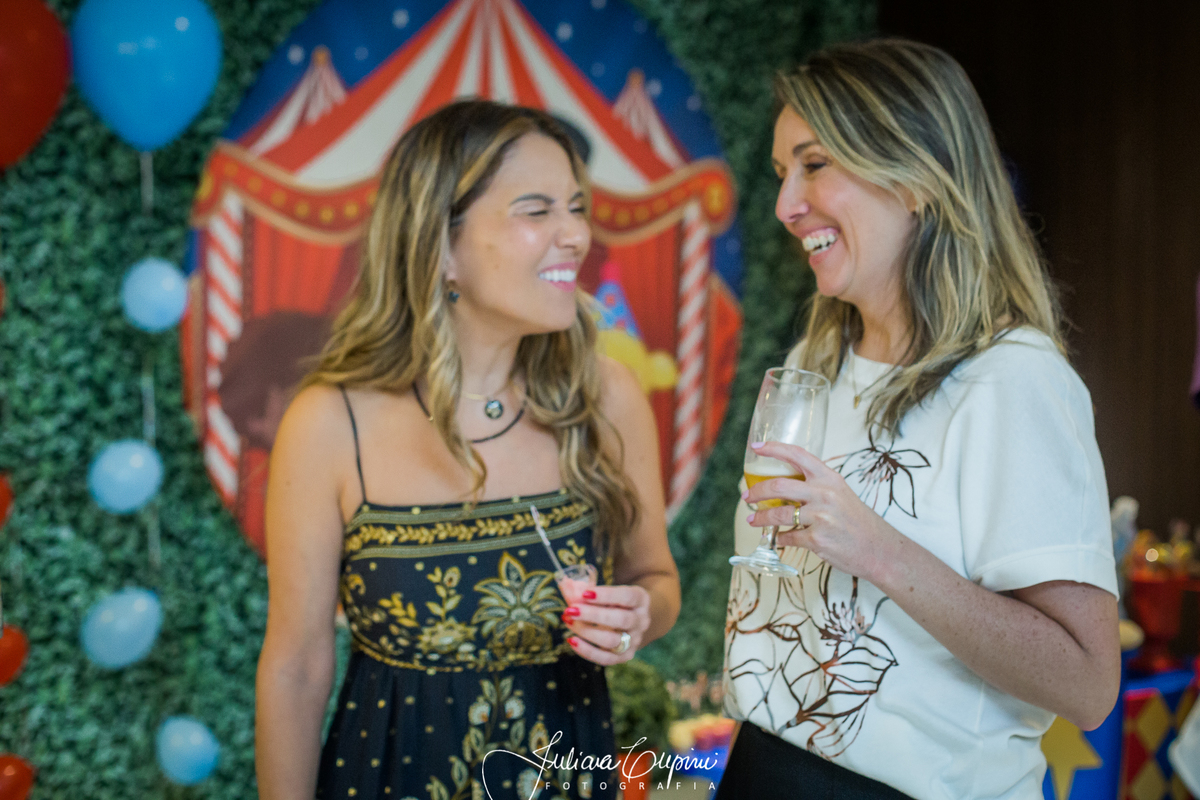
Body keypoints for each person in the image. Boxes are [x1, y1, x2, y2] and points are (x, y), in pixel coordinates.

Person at [719, 39, 1120, 800]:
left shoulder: (1014, 379)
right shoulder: (814, 361)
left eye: (814, 164)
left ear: (915, 178)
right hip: (763, 771)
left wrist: (881, 552)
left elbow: (1088, 685)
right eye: (780, 174)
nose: (785, 206)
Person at [255, 100, 680, 800]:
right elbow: (296, 667)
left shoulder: (607, 398)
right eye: (537, 210)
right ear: (441, 246)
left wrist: (640, 616)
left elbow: (656, 580)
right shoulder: (329, 424)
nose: (576, 235)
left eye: (576, 208)